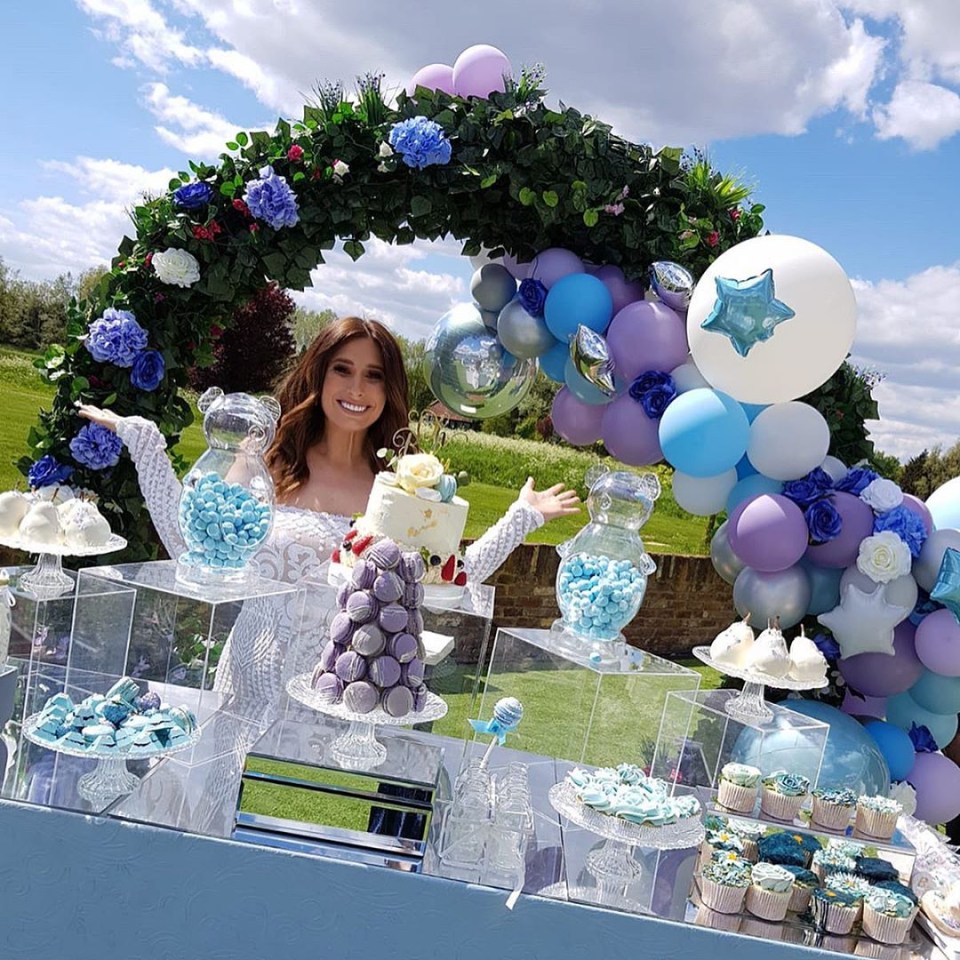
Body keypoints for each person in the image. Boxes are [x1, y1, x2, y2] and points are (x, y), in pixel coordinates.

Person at [78, 316, 580, 712]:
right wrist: (144, 442)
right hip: (250, 675)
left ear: (389, 391)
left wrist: (522, 517)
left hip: (347, 689)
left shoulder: (400, 487)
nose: (357, 389)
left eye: (373, 376)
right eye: (343, 369)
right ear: (319, 374)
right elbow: (195, 547)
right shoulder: (265, 463)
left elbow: (441, 579)